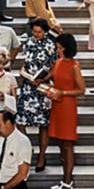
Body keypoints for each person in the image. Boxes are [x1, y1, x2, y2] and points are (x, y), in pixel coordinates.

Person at [16, 17, 57, 172]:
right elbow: (25, 63)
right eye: (34, 31)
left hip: (43, 85)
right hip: (28, 85)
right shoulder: (29, 43)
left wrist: (43, 78)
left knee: (42, 123)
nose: (36, 34)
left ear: (45, 31)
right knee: (21, 120)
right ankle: (27, 150)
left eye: (39, 32)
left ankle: (42, 155)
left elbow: (54, 66)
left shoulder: (51, 44)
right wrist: (24, 73)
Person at [45, 33, 85, 189]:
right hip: (56, 105)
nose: (57, 49)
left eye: (60, 47)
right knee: (60, 144)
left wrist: (63, 93)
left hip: (67, 106)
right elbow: (49, 78)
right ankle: (64, 179)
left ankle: (68, 180)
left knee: (67, 145)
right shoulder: (57, 62)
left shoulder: (74, 66)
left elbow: (81, 89)